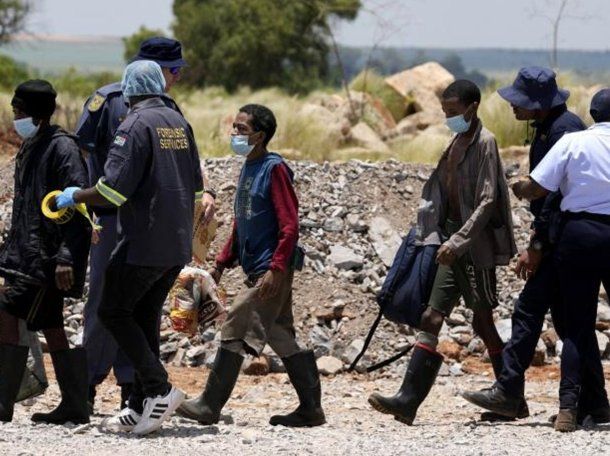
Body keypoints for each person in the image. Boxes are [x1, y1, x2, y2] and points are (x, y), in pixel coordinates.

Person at [55, 60, 203, 435]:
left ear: (129, 89)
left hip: (144, 241)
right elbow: (197, 187)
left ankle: (160, 387)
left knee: (113, 310)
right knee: (143, 317)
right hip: (176, 242)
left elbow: (111, 191)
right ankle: (139, 405)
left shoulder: (134, 125)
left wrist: (75, 197)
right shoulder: (178, 123)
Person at [462, 68, 609, 425]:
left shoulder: (566, 133)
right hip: (568, 236)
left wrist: (538, 244)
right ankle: (594, 402)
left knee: (535, 312)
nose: (513, 107)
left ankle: (518, 393)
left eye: (521, 102)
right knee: (571, 321)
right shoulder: (551, 128)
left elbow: (552, 195)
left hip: (565, 238)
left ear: (538, 104)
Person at [368, 80, 517, 425]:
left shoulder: (485, 143)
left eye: (453, 112)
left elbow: (486, 201)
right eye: (445, 112)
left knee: (483, 323)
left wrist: (458, 241)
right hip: (449, 244)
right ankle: (407, 401)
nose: (448, 118)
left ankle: (510, 395)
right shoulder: (456, 142)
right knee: (431, 318)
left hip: (472, 248)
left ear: (472, 108)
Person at [177, 104, 325, 428]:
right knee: (281, 336)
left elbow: (290, 226)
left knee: (233, 324)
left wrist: (276, 268)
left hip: (271, 271)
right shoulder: (249, 166)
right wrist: (220, 264)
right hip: (259, 268)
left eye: (242, 129)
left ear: (259, 136)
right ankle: (311, 408)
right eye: (234, 127)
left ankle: (209, 404)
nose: (235, 134)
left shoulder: (275, 170)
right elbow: (242, 225)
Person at [507, 88, 610, 431]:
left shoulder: (573, 141)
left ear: (593, 113)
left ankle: (568, 410)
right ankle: (595, 406)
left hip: (579, 235)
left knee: (578, 325)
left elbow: (537, 187)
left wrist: (517, 187)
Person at [0, 80, 91, 424]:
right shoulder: (33, 144)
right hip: (28, 255)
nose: (15, 118)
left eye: (19, 111)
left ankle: (4, 400)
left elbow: (78, 205)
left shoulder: (62, 148)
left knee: (8, 311)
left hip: (46, 259)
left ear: (36, 114)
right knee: (51, 324)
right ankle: (75, 403)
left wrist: (67, 256)